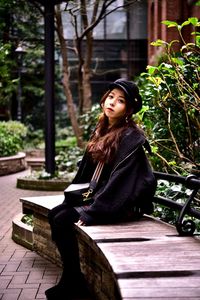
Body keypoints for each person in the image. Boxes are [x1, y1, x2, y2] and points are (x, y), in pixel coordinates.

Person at [45, 78, 157, 299]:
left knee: (62, 219)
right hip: (102, 197)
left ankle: (73, 283)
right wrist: (71, 199)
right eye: (111, 96)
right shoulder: (104, 128)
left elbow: (120, 183)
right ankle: (72, 278)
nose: (112, 102)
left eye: (121, 100)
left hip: (122, 204)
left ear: (129, 109)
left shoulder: (131, 137)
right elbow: (88, 172)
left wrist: (92, 212)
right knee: (55, 213)